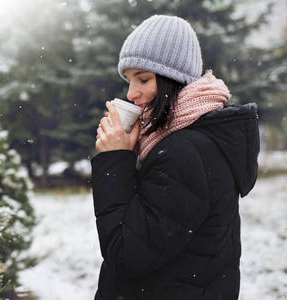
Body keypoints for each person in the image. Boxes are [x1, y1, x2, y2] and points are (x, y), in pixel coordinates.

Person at [91, 15, 259, 300]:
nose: (131, 93)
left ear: (174, 80)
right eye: (129, 80)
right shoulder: (186, 139)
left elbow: (126, 254)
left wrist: (115, 161)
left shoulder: (185, 152)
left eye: (143, 79)